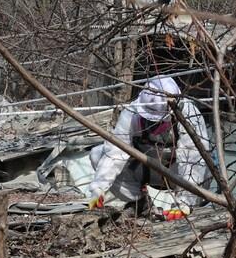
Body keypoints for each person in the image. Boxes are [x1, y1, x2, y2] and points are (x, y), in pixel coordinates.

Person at [84, 75, 211, 221]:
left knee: (204, 164)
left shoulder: (189, 113)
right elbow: (115, 152)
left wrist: (185, 202)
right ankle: (139, 202)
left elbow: (192, 158)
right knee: (97, 154)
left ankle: (188, 208)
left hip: (177, 175)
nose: (154, 124)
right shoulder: (133, 112)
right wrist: (98, 189)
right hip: (147, 171)